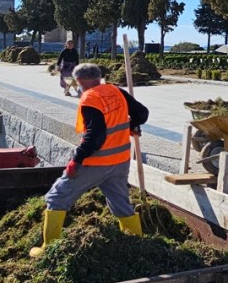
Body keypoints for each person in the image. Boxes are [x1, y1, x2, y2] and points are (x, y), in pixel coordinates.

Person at [29, 63, 149, 257]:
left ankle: (48, 249)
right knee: (120, 203)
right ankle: (137, 246)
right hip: (120, 162)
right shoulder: (115, 90)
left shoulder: (90, 99)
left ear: (80, 80)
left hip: (96, 163)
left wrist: (76, 160)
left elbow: (95, 135)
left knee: (57, 197)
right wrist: (132, 125)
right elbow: (142, 112)